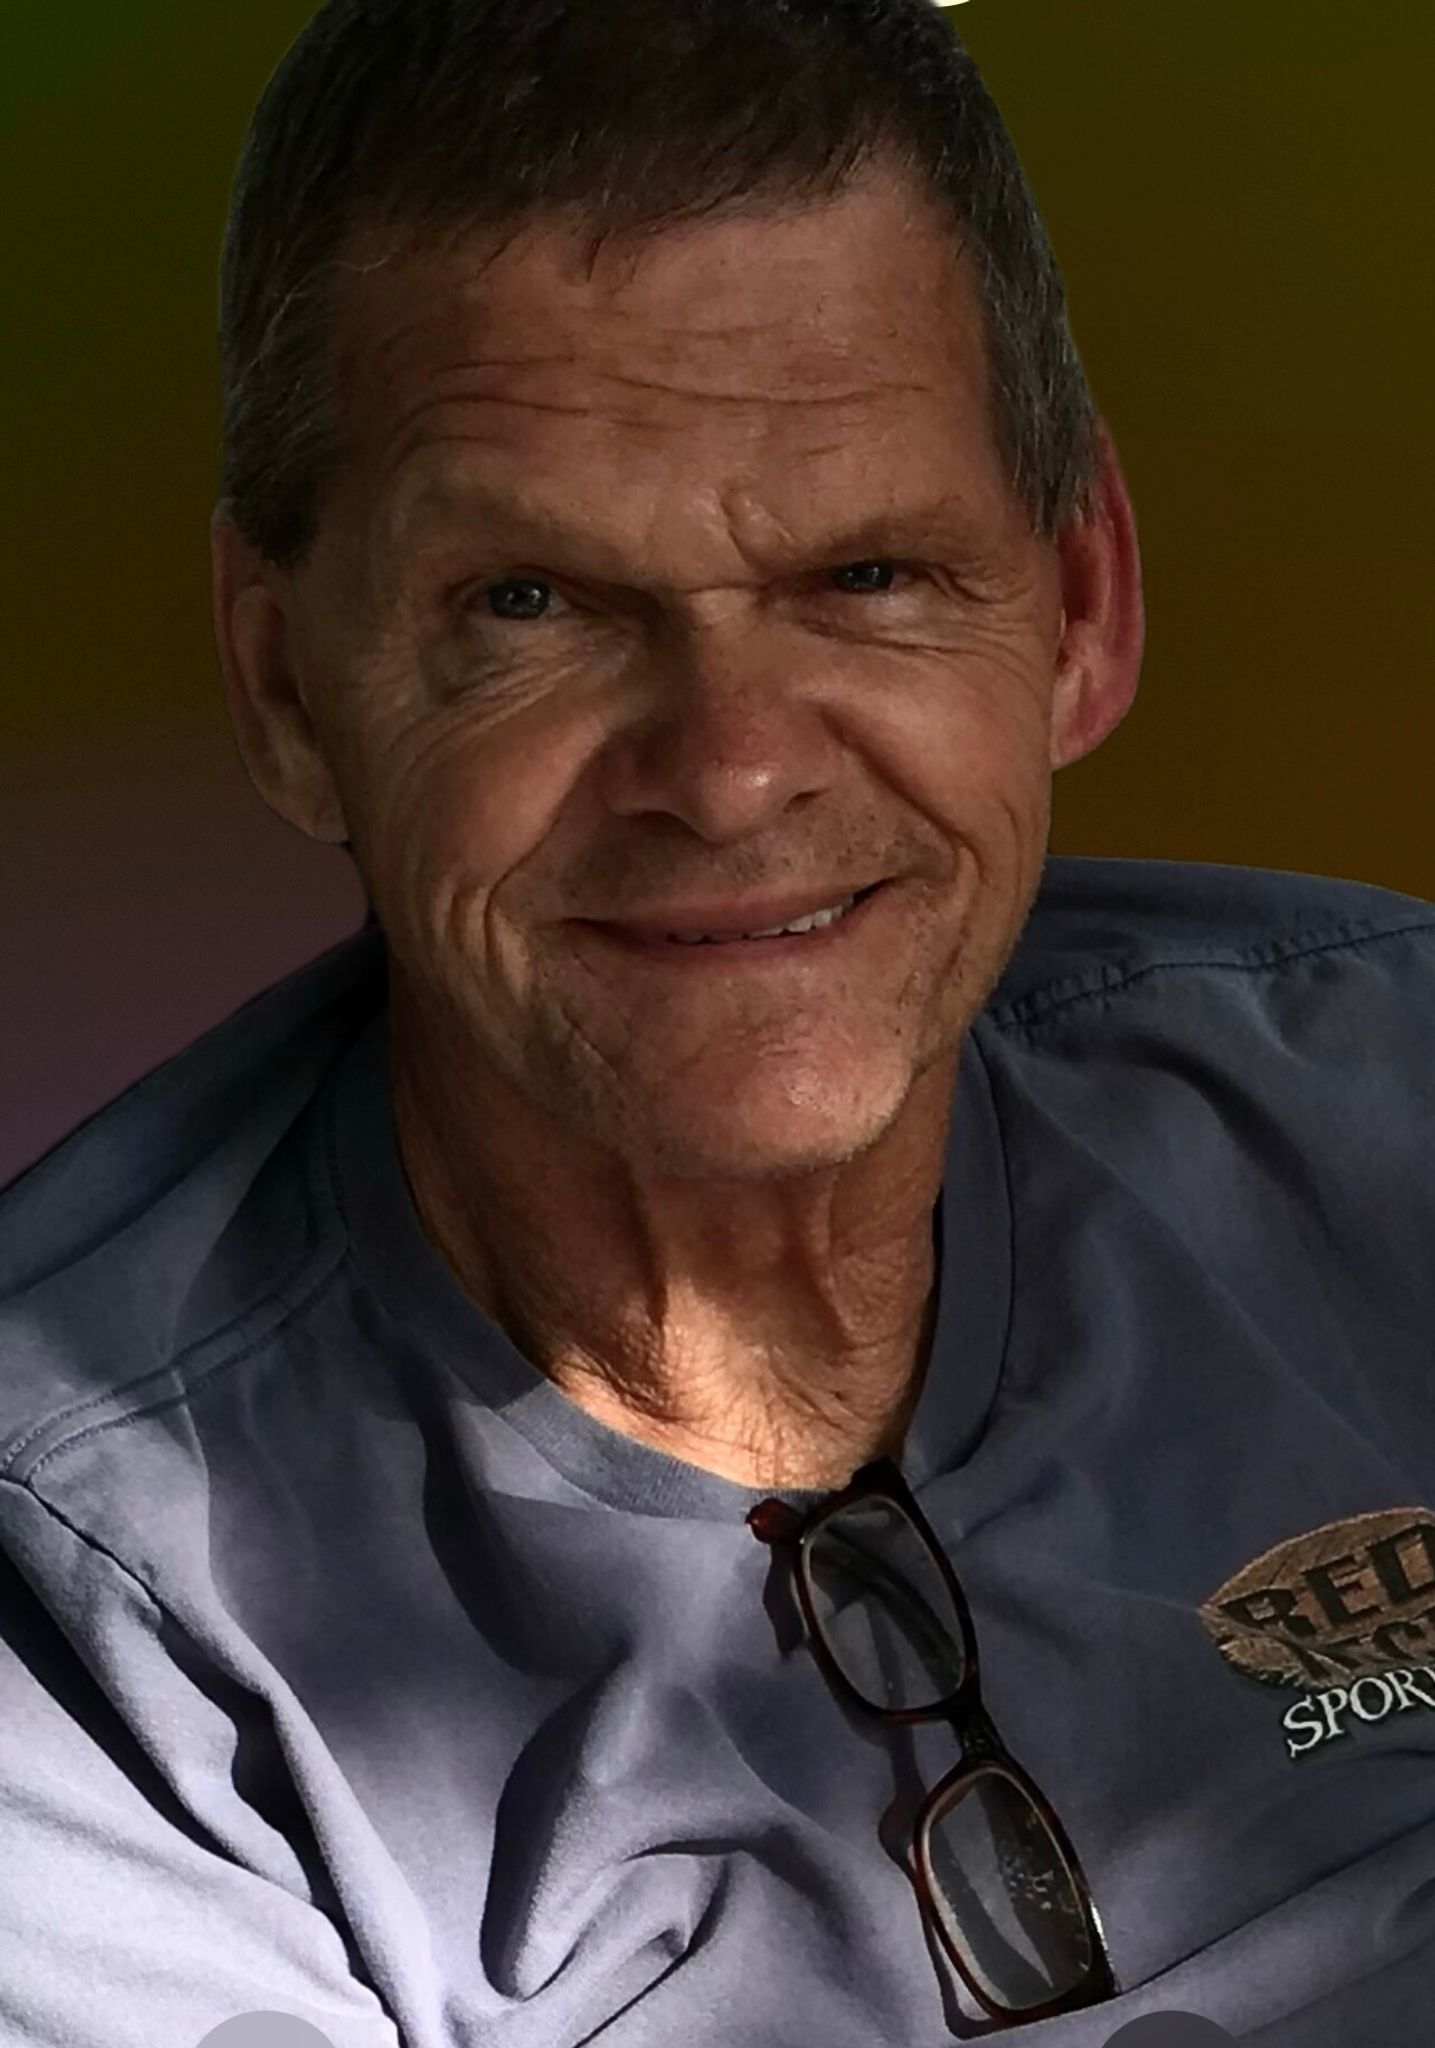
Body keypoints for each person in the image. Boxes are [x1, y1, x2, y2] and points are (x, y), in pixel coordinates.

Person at [2, 2, 1433, 2042]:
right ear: (291, 688)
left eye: (869, 572)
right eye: (529, 603)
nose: (734, 770)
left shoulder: (1395, 1105)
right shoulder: (82, 1618)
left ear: (1080, 604)